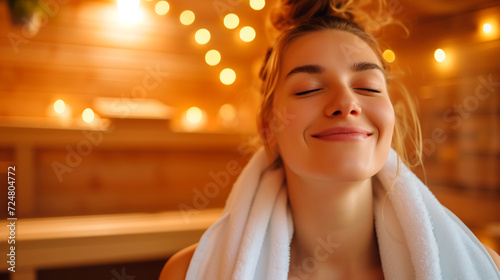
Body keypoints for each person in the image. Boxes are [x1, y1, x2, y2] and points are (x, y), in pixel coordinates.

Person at [160, 0, 500, 279]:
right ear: (268, 126)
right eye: (309, 89)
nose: (347, 104)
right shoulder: (190, 273)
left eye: (367, 86)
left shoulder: (484, 269)